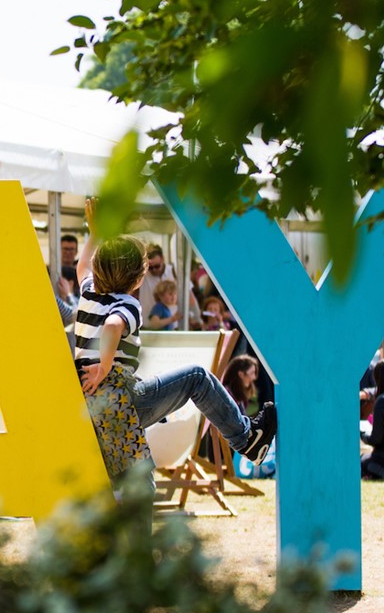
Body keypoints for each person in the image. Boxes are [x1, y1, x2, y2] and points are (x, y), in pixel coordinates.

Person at [73, 199, 276, 483]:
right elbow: (112, 325)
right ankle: (246, 439)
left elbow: (83, 265)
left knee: (139, 485)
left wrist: (95, 231)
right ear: (137, 280)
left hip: (93, 402)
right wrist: (104, 367)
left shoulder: (89, 292)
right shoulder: (126, 305)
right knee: (197, 377)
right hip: (124, 398)